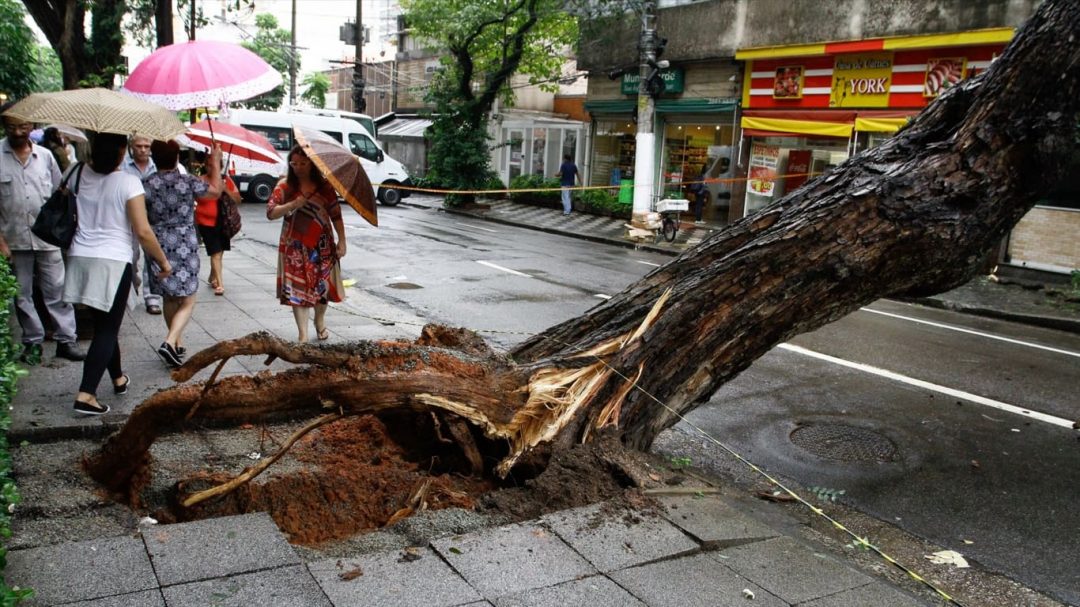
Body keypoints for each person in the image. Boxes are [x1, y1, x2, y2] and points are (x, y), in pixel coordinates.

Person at [63, 132, 171, 415]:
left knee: (104, 325)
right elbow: (144, 231)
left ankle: (118, 378)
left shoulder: (76, 171)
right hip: (112, 260)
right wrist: (164, 262)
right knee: (108, 329)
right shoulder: (128, 182)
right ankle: (86, 394)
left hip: (80, 256)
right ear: (123, 151)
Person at [0, 106, 85, 365]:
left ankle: (65, 340)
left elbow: (61, 193)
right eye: (12, 126)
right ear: (4, 126)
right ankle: (32, 342)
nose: (18, 131)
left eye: (23, 126)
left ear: (32, 127)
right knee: (22, 293)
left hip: (47, 237)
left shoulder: (46, 156)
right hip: (13, 237)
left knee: (57, 290)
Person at [143, 140, 221, 367]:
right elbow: (215, 192)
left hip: (158, 244)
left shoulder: (146, 183)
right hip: (185, 241)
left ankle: (176, 342)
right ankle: (169, 341)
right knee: (188, 298)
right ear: (177, 157)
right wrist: (215, 162)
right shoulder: (187, 182)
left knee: (169, 296)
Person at [266, 145, 346, 343]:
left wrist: (342, 241)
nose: (298, 167)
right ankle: (302, 334)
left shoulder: (325, 187)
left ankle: (319, 321)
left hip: (322, 244)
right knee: (297, 289)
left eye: (303, 163)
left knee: (322, 287)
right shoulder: (284, 187)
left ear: (312, 163)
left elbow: (336, 215)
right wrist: (292, 204)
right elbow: (271, 212)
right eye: (294, 164)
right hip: (294, 246)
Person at [122, 135, 166, 315]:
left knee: (152, 258)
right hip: (129, 219)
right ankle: (133, 284)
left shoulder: (157, 168)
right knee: (131, 258)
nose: (142, 150)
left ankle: (152, 298)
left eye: (146, 146)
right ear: (132, 147)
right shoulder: (124, 167)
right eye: (139, 146)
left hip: (152, 219)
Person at [194, 153, 240, 296]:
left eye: (213, 164)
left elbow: (238, 199)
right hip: (205, 222)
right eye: (208, 165)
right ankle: (220, 284)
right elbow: (196, 197)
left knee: (219, 252)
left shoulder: (226, 181)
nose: (210, 167)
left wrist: (225, 189)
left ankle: (212, 276)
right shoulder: (200, 181)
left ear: (220, 166)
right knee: (215, 252)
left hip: (223, 221)